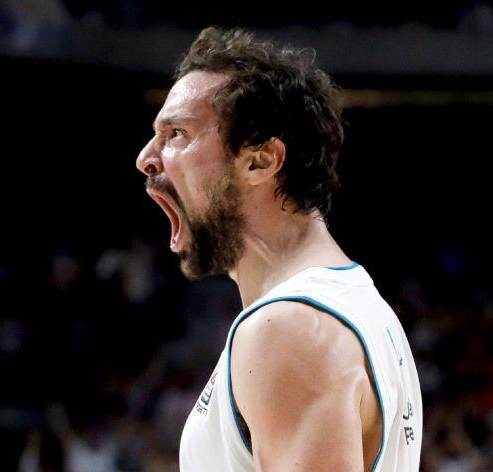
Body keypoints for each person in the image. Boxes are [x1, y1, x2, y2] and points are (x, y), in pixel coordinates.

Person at [135, 27, 422, 471]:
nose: (147, 157)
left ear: (259, 161)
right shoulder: (352, 304)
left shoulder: (290, 327)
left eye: (177, 133)